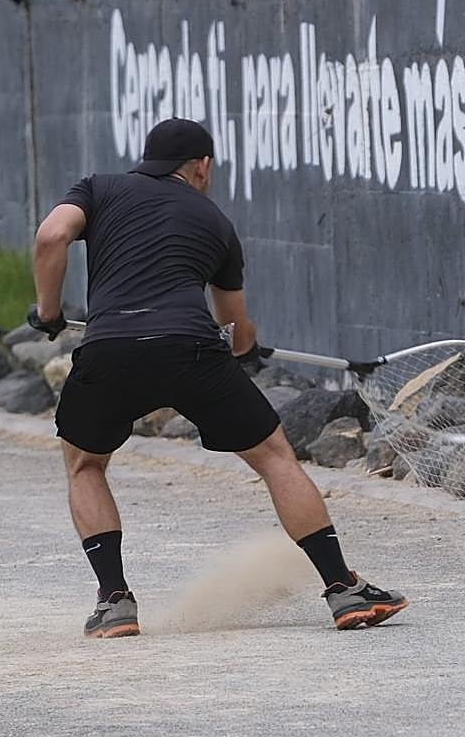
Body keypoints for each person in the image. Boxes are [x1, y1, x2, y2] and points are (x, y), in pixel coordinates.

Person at [28, 118, 408, 638]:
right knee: (274, 457)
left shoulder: (98, 188)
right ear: (202, 166)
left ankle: (115, 602)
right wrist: (247, 349)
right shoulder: (215, 221)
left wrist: (49, 313)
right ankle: (343, 588)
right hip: (193, 349)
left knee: (86, 465)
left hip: (110, 348)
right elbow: (235, 328)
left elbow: (52, 236)